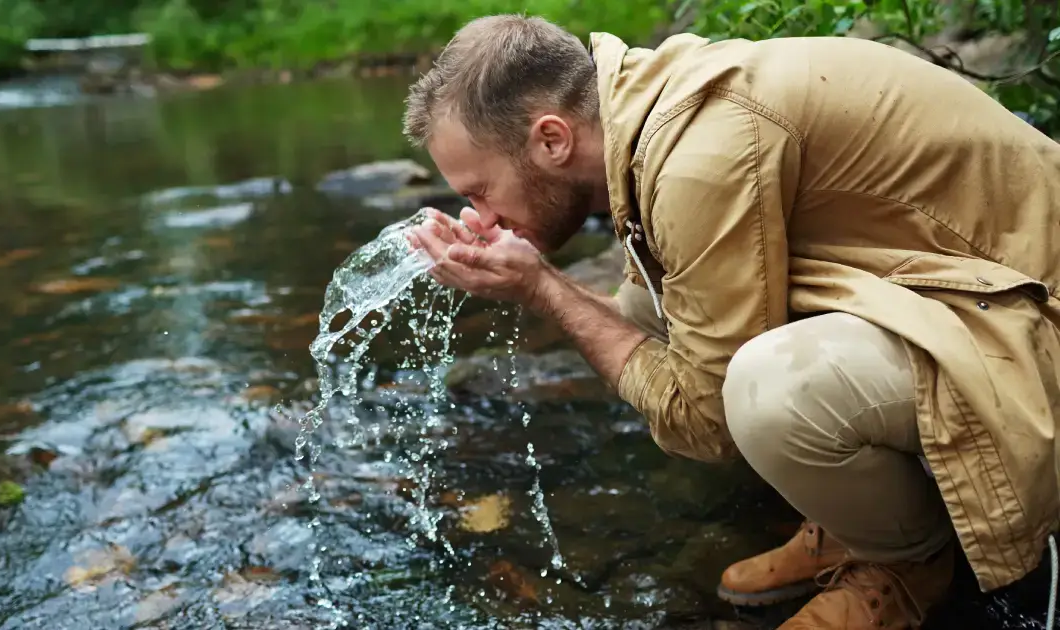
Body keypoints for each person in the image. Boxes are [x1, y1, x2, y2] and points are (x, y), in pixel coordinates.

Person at [402, 12, 1060, 630]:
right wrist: (534, 280)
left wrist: (544, 288)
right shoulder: (652, 114)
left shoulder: (699, 157)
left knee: (768, 390)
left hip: (1032, 314)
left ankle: (905, 561)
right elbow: (649, 332)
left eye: (478, 192)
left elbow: (709, 420)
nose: (480, 217)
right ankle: (859, 519)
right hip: (957, 290)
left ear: (552, 138)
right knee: (659, 319)